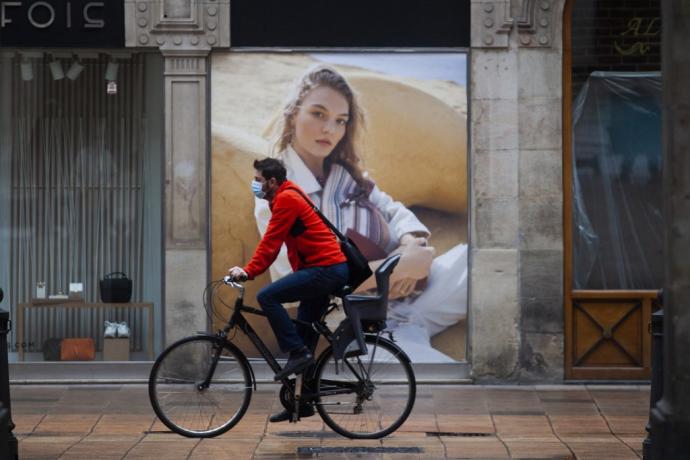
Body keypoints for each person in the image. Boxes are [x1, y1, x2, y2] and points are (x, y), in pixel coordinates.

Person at [255, 65, 468, 363]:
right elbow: (295, 280)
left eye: (340, 120)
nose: (330, 129)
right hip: (357, 324)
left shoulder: (347, 176)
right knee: (443, 386)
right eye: (318, 114)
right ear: (293, 114)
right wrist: (393, 268)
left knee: (484, 263)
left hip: (417, 298)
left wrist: (410, 246)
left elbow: (393, 210)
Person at [227, 157, 348, 422]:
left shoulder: (286, 200)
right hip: (323, 268)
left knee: (267, 296)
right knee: (304, 335)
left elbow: (271, 244)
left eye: (258, 180)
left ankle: (298, 353)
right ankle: (302, 402)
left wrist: (247, 271)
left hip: (324, 269)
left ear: (272, 182)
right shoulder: (285, 195)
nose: (254, 184)